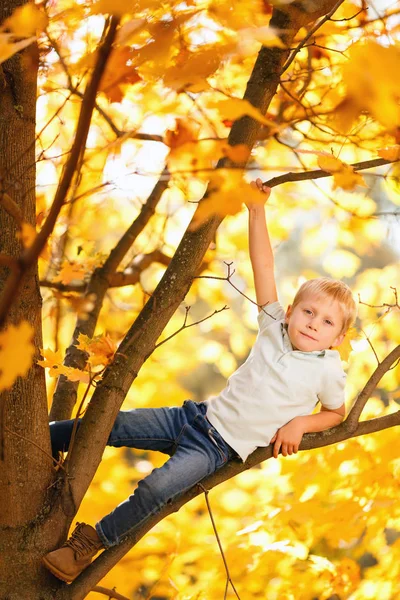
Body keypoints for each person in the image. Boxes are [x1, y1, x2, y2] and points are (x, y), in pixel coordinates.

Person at [42, 179, 357, 582]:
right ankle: (43, 439)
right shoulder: (273, 327)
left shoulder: (328, 369)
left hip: (215, 451)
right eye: (309, 312)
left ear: (338, 338)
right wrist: (257, 211)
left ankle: (86, 546)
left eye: (327, 322)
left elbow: (336, 412)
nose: (314, 324)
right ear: (291, 311)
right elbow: (264, 267)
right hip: (191, 417)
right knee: (112, 424)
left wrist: (300, 423)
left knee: (156, 490)